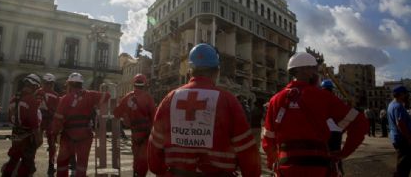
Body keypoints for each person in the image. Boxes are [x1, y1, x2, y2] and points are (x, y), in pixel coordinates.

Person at [148, 43, 261, 177]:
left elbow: (154, 151)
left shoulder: (169, 99)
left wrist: (162, 171)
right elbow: (247, 151)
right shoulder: (228, 101)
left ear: (189, 71)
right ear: (216, 72)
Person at [262, 52, 368, 177]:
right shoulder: (323, 97)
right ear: (305, 70)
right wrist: (344, 153)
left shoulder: (275, 100)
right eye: (314, 69)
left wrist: (272, 161)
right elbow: (359, 124)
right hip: (318, 168)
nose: (317, 74)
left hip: (286, 168)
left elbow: (268, 139)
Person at [51, 72, 110, 177]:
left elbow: (57, 121)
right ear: (81, 84)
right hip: (85, 135)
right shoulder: (90, 95)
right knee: (82, 164)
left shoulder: (65, 99)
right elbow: (107, 96)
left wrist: (54, 134)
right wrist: (99, 98)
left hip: (68, 136)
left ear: (69, 84)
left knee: (62, 162)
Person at [113, 73, 156, 177]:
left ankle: (136, 173)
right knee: (143, 160)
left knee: (136, 157)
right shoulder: (147, 97)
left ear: (133, 84)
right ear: (145, 84)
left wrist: (126, 115)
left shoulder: (128, 96)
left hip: (134, 133)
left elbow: (116, 113)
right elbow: (155, 116)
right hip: (146, 135)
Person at [1, 74, 43, 177]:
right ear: (34, 86)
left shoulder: (14, 98)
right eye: (36, 88)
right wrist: (38, 137)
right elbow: (33, 122)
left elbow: (10, 117)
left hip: (16, 132)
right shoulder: (31, 100)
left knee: (14, 158)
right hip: (28, 135)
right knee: (26, 162)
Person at [36, 73, 60, 175]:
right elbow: (58, 110)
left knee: (34, 143)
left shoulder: (37, 92)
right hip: (50, 121)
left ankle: (29, 163)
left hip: (38, 121)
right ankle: (51, 167)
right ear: (52, 84)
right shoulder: (55, 95)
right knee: (52, 145)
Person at [321, 79, 344, 176]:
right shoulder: (337, 100)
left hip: (325, 131)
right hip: (337, 132)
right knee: (336, 154)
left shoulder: (319, 100)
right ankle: (339, 171)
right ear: (332, 89)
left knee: (324, 155)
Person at [387, 86, 411, 177]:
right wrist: (409, 137)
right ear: (401, 94)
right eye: (405, 93)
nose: (407, 96)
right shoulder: (398, 106)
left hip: (396, 138)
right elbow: (400, 123)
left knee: (402, 163)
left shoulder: (391, 105)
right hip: (402, 139)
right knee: (404, 166)